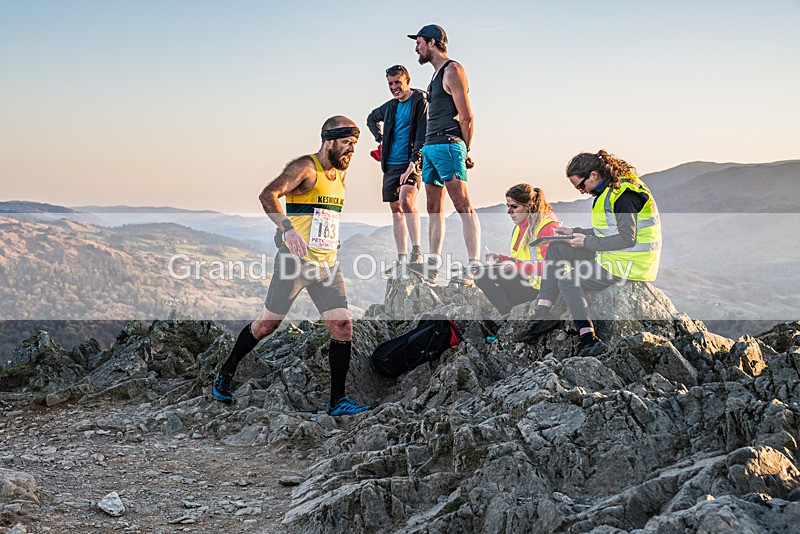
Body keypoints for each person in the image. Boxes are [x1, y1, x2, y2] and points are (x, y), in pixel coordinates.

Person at [212, 116, 370, 417]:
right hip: (294, 264)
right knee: (266, 325)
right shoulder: (305, 167)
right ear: (329, 141)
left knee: (342, 326)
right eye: (347, 143)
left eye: (355, 144)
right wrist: (287, 228)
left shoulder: (340, 175)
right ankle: (225, 373)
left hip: (326, 266)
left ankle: (338, 401)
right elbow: (268, 194)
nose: (352, 150)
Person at [519, 150, 662, 357]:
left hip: (630, 262)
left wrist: (586, 242)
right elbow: (608, 232)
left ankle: (589, 339)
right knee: (557, 247)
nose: (581, 191)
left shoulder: (624, 195)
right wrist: (574, 233)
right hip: (615, 254)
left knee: (569, 281)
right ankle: (542, 314)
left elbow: (626, 238)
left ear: (594, 175)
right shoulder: (609, 192)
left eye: (580, 185)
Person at [407, 24, 480, 281]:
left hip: (449, 144)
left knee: (462, 205)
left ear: (433, 42)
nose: (416, 47)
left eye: (419, 42)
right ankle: (433, 265)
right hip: (430, 147)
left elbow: (467, 117)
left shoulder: (453, 70)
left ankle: (473, 265)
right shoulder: (435, 74)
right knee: (433, 207)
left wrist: (465, 148)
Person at [366, 65, 427, 264]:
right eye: (390, 83)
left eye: (397, 82)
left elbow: (422, 133)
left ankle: (416, 251)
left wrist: (415, 161)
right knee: (395, 208)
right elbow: (371, 118)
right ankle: (402, 256)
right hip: (391, 164)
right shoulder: (390, 107)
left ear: (407, 80)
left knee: (406, 201)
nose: (394, 87)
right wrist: (380, 138)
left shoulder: (419, 101)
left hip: (411, 161)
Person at [475, 184, 559, 317]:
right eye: (508, 206)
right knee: (482, 273)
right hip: (528, 282)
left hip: (543, 291)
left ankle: (511, 319)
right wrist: (502, 259)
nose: (509, 212)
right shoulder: (520, 227)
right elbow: (521, 260)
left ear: (529, 205)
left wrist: (514, 267)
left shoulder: (547, 227)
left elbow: (553, 268)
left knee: (484, 275)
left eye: (514, 207)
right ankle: (509, 317)